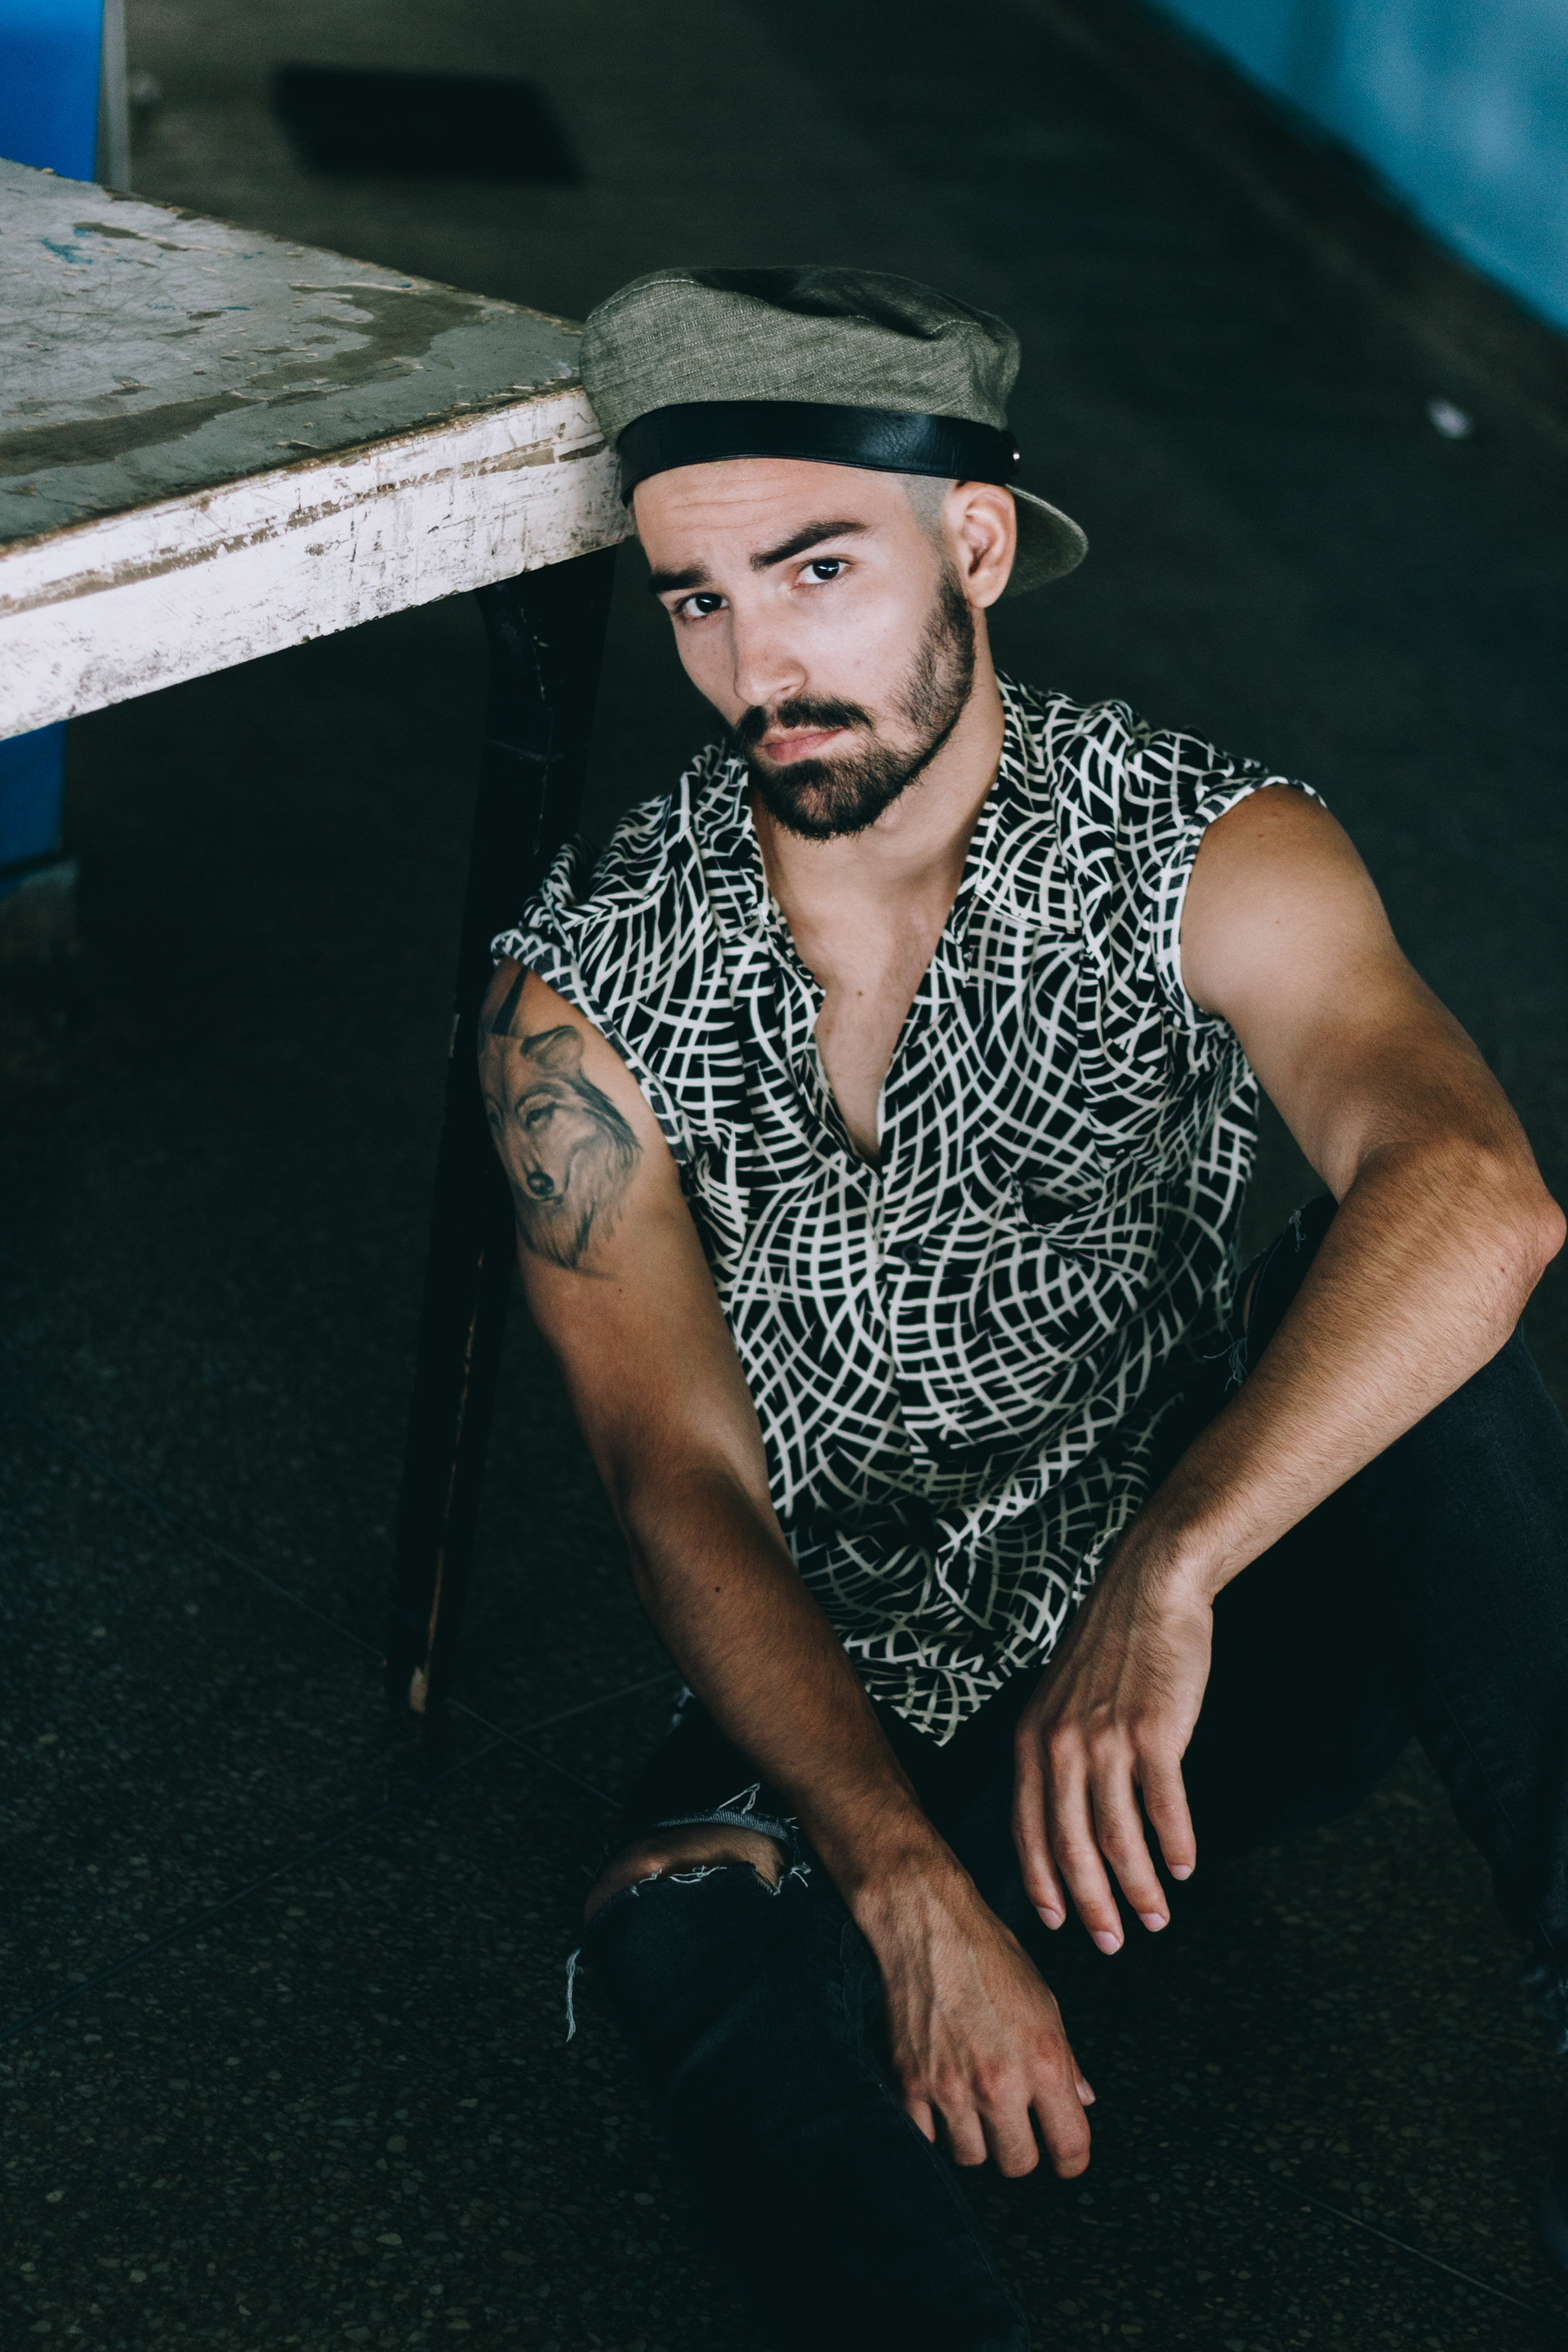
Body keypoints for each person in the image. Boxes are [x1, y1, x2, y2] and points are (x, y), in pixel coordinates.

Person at [481, 267, 1568, 2348]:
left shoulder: (1206, 846)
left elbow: (1479, 1191)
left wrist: (1174, 1568)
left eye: (817, 570)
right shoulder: (588, 989)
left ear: (973, 543)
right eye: (697, 598)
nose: (757, 665)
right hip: (875, 1696)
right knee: (674, 1923)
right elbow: (673, 1476)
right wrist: (901, 1882)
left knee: (1438, 1351)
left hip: (1202, 1661)